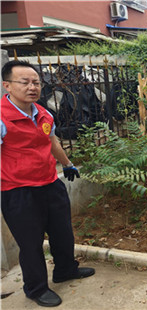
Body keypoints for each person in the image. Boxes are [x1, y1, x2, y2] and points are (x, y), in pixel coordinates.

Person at [1, 60, 95, 307]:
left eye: (36, 82)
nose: (32, 87)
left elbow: (52, 141)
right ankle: (35, 288)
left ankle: (65, 270)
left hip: (50, 183)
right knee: (31, 243)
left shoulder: (43, 113)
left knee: (63, 233)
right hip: (18, 191)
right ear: (7, 85)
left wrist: (67, 163)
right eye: (25, 82)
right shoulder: (2, 117)